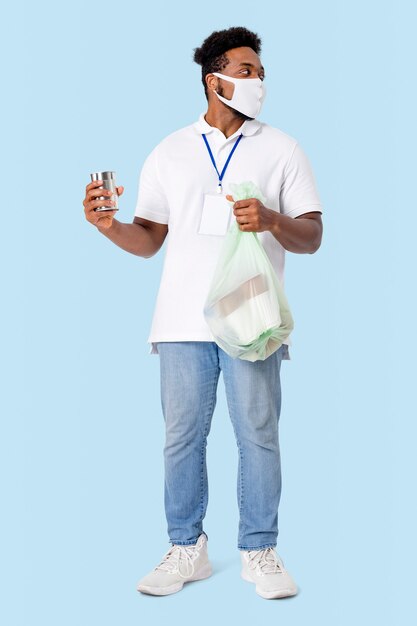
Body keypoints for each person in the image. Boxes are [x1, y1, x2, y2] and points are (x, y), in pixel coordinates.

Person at [82, 26, 323, 599]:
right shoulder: (169, 150)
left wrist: (271, 221)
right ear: (213, 80)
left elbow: (312, 235)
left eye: (261, 73)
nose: (258, 81)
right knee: (181, 438)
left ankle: (260, 549)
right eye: (246, 71)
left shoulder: (282, 148)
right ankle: (185, 548)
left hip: (253, 318)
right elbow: (149, 238)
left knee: (259, 435)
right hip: (181, 321)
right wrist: (109, 226)